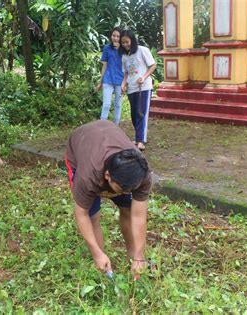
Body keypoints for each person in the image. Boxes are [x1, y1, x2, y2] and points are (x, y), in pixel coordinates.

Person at [65, 120, 151, 280]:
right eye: (122, 190)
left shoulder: (141, 173)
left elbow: (138, 215)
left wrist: (139, 255)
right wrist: (96, 252)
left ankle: (132, 258)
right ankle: (103, 267)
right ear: (107, 176)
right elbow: (81, 214)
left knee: (128, 208)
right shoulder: (88, 175)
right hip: (82, 143)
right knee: (93, 216)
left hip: (107, 133)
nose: (127, 193)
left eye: (130, 189)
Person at [120, 29, 156, 151]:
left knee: (141, 113)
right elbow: (126, 73)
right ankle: (139, 136)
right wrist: (123, 84)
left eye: (127, 42)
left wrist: (144, 77)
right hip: (131, 88)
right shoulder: (125, 56)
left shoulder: (142, 50)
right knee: (134, 114)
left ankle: (141, 140)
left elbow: (153, 65)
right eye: (123, 43)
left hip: (144, 87)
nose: (125, 45)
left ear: (132, 40)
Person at [96, 27, 124, 125]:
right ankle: (102, 126)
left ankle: (115, 128)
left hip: (120, 81)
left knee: (118, 105)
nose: (115, 38)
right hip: (108, 79)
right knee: (106, 104)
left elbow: (128, 66)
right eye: (113, 36)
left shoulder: (125, 49)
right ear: (111, 36)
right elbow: (104, 65)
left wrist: (126, 83)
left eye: (118, 36)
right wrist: (100, 82)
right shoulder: (107, 48)